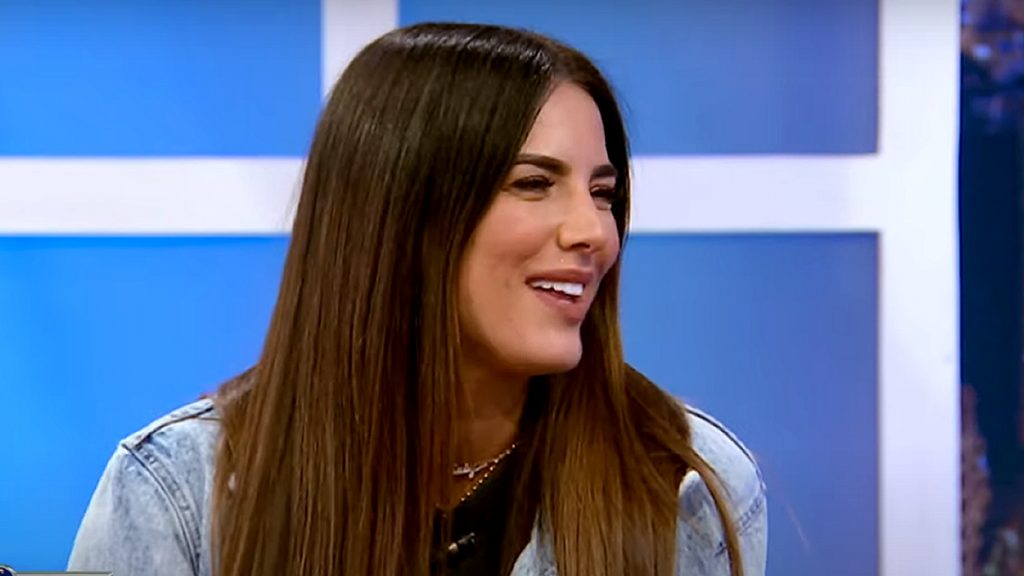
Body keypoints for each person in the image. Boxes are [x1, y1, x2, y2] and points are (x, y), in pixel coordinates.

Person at [66, 22, 767, 576]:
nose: (594, 233)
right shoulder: (176, 494)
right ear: (400, 213)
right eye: (533, 184)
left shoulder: (686, 481)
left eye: (603, 193)